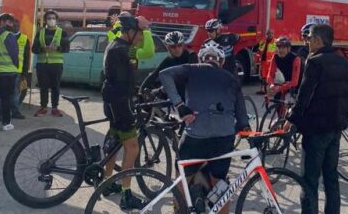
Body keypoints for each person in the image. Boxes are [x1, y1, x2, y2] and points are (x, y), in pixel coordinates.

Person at [158, 40, 249, 214]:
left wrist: (180, 106)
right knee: (220, 184)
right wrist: (230, 128)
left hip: (196, 137)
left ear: (201, 59)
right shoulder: (231, 78)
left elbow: (164, 75)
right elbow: (243, 119)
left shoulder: (193, 69)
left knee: (182, 179)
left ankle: (179, 210)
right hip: (223, 138)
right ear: (221, 61)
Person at [286, 24, 348, 214]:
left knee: (309, 181)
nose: (307, 42)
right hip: (336, 128)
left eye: (309, 38)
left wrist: (292, 118)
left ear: (317, 40)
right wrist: (341, 115)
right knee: (331, 177)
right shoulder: (342, 61)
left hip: (316, 130)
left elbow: (304, 96)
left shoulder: (315, 61)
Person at [101, 12, 155, 209]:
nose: (140, 38)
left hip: (113, 100)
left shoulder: (115, 45)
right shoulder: (123, 50)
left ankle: (107, 183)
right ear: (130, 32)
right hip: (120, 103)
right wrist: (147, 29)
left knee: (114, 143)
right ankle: (126, 195)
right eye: (139, 34)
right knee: (132, 148)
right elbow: (148, 52)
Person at [32, 10, 70, 117]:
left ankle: (55, 108)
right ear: (45, 20)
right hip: (42, 64)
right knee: (43, 87)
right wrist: (42, 49)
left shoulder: (62, 32)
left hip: (56, 64)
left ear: (56, 20)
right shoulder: (40, 32)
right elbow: (34, 49)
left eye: (53, 18)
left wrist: (57, 48)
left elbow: (67, 49)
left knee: (55, 87)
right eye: (49, 18)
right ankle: (43, 107)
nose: (51, 20)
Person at [266, 36, 302, 115]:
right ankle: (280, 118)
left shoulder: (295, 59)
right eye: (279, 47)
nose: (280, 50)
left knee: (291, 107)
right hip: (285, 82)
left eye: (283, 48)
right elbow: (270, 74)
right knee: (277, 99)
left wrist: (279, 88)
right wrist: (271, 84)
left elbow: (294, 82)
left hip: (296, 85)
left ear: (288, 49)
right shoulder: (275, 57)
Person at [11, 19, 30, 119]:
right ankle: (3, 113)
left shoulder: (24, 38)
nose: (16, 27)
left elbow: (26, 58)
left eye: (17, 25)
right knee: (5, 93)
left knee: (17, 93)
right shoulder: (5, 37)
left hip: (18, 72)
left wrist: (24, 74)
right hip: (5, 70)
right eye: (14, 25)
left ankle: (15, 112)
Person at [256, 29, 276, 94]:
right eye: (268, 33)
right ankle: (263, 90)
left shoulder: (276, 43)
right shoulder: (262, 42)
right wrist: (257, 60)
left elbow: (277, 53)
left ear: (273, 34)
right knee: (263, 77)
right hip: (263, 62)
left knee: (270, 77)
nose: (270, 35)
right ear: (266, 34)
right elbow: (259, 52)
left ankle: (270, 90)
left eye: (271, 33)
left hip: (271, 63)